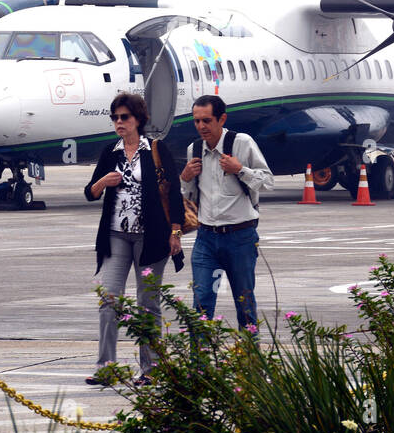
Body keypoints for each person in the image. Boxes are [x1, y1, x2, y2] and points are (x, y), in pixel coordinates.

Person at [83, 92, 184, 385]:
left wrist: (175, 231)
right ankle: (107, 367)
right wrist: (102, 182)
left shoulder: (155, 150)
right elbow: (90, 192)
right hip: (116, 235)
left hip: (151, 238)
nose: (118, 122)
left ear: (138, 119)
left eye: (124, 117)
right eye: (115, 118)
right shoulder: (110, 152)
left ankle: (150, 369)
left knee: (147, 304)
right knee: (109, 299)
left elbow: (173, 192)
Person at [180, 95, 273, 333]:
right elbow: (190, 196)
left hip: (240, 236)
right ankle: (198, 368)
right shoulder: (194, 149)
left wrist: (240, 170)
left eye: (207, 121)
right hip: (206, 238)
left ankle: (251, 363)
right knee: (201, 304)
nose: (201, 127)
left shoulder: (242, 143)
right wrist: (186, 178)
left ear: (222, 119)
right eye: (196, 121)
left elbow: (267, 182)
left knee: (245, 304)